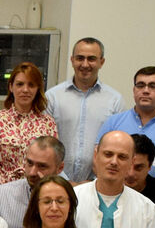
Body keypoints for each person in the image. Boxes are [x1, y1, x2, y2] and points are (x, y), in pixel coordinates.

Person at [47, 38, 124, 182]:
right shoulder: (52, 97)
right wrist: (63, 180)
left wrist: (94, 181)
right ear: (72, 60)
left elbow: (116, 146)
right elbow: (47, 144)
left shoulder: (114, 100)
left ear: (102, 62)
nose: (85, 64)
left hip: (97, 183)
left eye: (91, 59)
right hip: (57, 181)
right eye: (80, 58)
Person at [0, 62, 59, 186]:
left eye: (31, 85)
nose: (25, 90)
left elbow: (52, 162)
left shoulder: (47, 123)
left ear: (38, 89)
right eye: (20, 84)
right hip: (3, 189)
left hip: (37, 187)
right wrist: (10, 187)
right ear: (11, 87)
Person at [96, 67, 155, 173]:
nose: (145, 91)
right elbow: (97, 159)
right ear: (134, 90)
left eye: (153, 86)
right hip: (117, 183)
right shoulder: (114, 122)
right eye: (140, 85)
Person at [0, 136, 66, 228]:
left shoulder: (70, 200)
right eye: (30, 163)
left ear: (60, 168)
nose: (32, 172)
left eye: (42, 166)